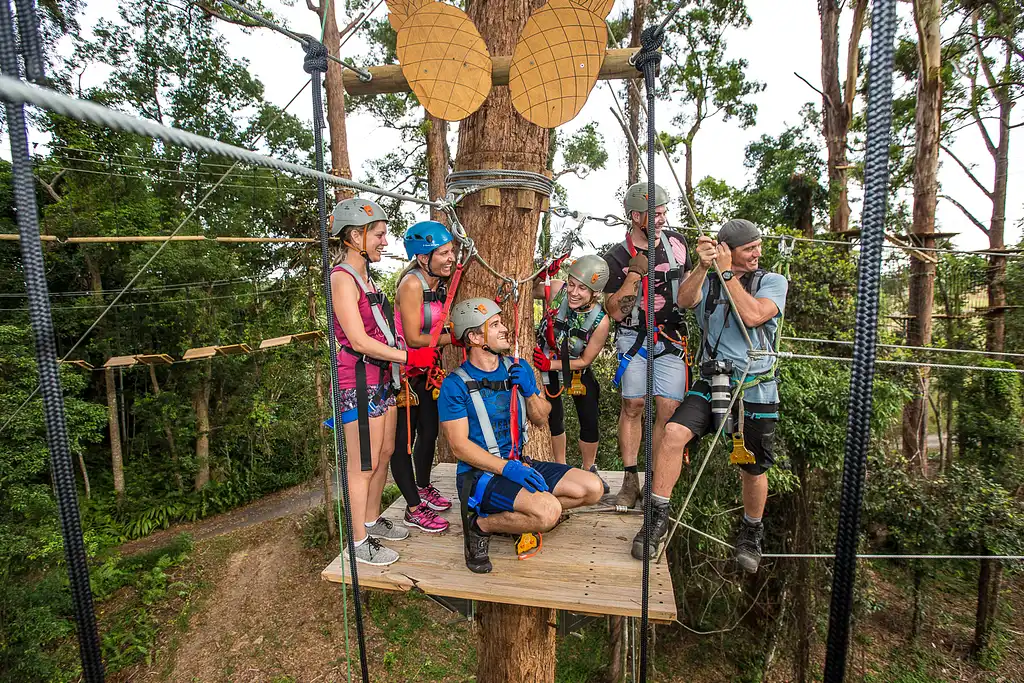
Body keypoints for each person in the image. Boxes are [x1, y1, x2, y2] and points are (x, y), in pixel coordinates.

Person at [630, 219, 787, 573]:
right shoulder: (712, 281)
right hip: (712, 379)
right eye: (750, 249)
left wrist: (728, 272)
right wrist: (703, 267)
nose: (757, 254)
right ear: (729, 250)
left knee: (752, 467)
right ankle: (656, 519)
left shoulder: (772, 282)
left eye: (758, 246)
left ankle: (751, 532)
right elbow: (684, 300)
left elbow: (753, 316)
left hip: (754, 386)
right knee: (673, 434)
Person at [438, 297, 605, 573]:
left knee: (593, 488)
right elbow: (459, 447)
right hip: (482, 475)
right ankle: (480, 526)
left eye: (502, 322)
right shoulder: (454, 385)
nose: (504, 329)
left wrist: (529, 390)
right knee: (548, 512)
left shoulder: (517, 368)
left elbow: (541, 417)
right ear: (475, 337)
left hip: (519, 463)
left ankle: (521, 515)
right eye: (495, 325)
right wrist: (507, 469)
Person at [330, 198, 440, 566]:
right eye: (378, 235)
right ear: (354, 236)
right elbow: (358, 340)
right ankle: (358, 542)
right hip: (357, 382)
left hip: (382, 379)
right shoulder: (341, 279)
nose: (385, 242)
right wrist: (409, 356)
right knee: (361, 464)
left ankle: (371, 520)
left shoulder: (365, 277)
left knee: (384, 454)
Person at [602, 182, 697, 507]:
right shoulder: (616, 257)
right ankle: (630, 479)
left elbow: (686, 290)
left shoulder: (677, 244)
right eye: (655, 214)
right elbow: (615, 312)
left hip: (670, 337)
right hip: (634, 337)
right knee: (633, 405)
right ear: (635, 216)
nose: (662, 219)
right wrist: (634, 274)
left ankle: (656, 480)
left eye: (664, 212)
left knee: (669, 409)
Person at [392, 220, 457, 534]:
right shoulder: (412, 285)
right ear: (422, 258)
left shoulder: (439, 283)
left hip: (427, 373)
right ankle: (412, 508)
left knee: (429, 432)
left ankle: (422, 486)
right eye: (443, 252)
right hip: (405, 376)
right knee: (404, 442)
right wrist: (455, 337)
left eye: (451, 251)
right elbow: (414, 338)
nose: (450, 257)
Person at [532, 255, 611, 490]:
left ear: (595, 293)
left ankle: (589, 469)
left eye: (582, 289)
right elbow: (529, 290)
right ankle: (560, 467)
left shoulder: (600, 321)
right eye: (572, 284)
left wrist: (551, 365)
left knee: (588, 416)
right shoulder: (558, 290)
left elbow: (586, 360)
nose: (574, 293)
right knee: (553, 417)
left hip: (573, 366)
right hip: (547, 361)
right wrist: (543, 273)